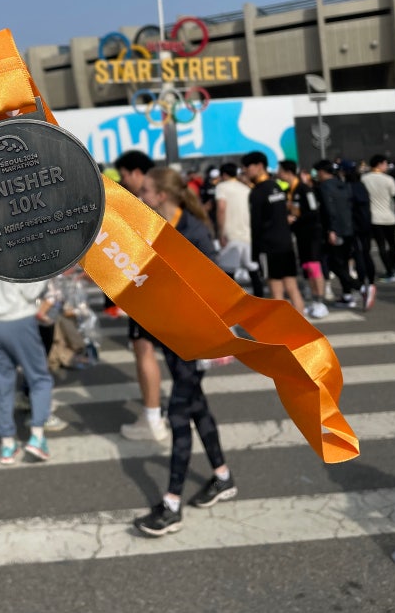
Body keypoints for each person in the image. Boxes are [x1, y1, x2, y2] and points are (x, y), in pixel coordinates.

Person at [133, 166, 236, 537]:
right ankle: (222, 476)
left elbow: (213, 287)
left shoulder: (193, 232)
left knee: (178, 415)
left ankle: (172, 504)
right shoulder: (157, 226)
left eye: (146, 190)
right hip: (173, 335)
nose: (141, 194)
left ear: (162, 195)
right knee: (196, 407)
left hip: (196, 339)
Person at [0, 265, 54, 464]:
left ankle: (7, 444)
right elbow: (31, 290)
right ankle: (37, 437)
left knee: (2, 384)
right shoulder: (15, 255)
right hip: (19, 320)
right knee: (39, 378)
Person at [114, 149, 167, 442]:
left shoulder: (146, 203)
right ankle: (166, 412)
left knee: (143, 349)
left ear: (136, 173)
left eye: (124, 175)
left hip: (147, 287)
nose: (123, 182)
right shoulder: (163, 196)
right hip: (160, 287)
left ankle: (152, 417)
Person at [241, 151, 305, 316]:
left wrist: (255, 253)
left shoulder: (257, 192)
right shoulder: (277, 186)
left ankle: (283, 328)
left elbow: (256, 225)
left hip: (269, 247)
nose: (245, 170)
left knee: (276, 292)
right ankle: (303, 325)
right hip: (286, 243)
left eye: (247, 167)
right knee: (292, 287)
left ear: (259, 166)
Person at [277, 160, 328, 319]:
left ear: (288, 172)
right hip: (300, 235)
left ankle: (320, 301)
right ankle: (314, 299)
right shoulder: (288, 191)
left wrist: (295, 219)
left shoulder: (305, 189)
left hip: (312, 233)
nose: (278, 174)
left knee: (314, 266)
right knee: (306, 267)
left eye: (280, 171)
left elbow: (313, 211)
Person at [214, 162, 263, 298]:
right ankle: (260, 299)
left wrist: (220, 232)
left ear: (224, 175)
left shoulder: (221, 187)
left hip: (230, 234)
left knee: (229, 273)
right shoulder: (246, 188)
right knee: (253, 270)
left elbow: (221, 209)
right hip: (247, 234)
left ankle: (232, 302)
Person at [313, 159, 357, 308]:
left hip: (334, 230)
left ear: (322, 172)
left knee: (332, 263)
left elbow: (328, 209)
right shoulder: (343, 184)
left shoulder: (324, 187)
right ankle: (347, 295)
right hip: (348, 228)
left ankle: (359, 287)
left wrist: (331, 229)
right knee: (343, 262)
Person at [341, 160, 377, 311]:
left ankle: (364, 285)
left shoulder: (349, 187)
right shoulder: (361, 185)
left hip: (356, 226)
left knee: (359, 255)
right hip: (366, 224)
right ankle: (370, 283)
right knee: (366, 254)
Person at [361, 154, 395, 282]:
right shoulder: (388, 179)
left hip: (374, 217)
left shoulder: (364, 179)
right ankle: (394, 268)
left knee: (381, 245)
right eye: (385, 164)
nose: (387, 166)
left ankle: (389, 271)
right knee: (392, 244)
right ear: (380, 164)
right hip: (389, 217)